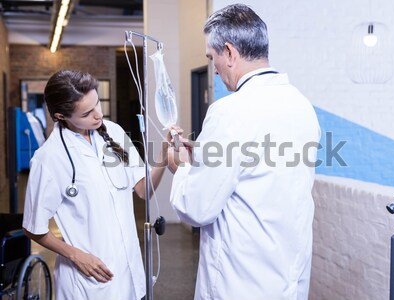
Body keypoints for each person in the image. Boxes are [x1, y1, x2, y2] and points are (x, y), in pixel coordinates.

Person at [167, 4, 321, 300]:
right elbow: (261, 163)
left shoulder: (229, 111)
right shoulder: (300, 104)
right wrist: (205, 155)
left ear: (229, 52)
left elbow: (197, 207)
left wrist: (183, 167)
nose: (214, 68)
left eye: (212, 58)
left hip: (241, 279)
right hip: (286, 274)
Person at [22, 69, 168, 300]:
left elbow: (143, 190)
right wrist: (76, 255)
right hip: (86, 278)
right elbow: (33, 227)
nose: (98, 114)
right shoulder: (49, 158)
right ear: (61, 116)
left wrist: (164, 158)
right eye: (87, 113)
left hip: (127, 267)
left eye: (97, 102)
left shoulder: (115, 132)